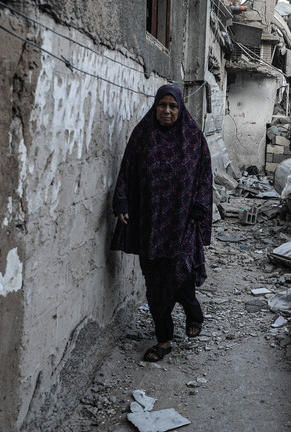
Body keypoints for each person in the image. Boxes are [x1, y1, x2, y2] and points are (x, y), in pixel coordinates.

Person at [111, 84, 212, 362]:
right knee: (155, 283)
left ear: (181, 109)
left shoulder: (193, 139)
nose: (167, 111)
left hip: (182, 224)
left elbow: (205, 179)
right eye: (162, 105)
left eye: (173, 106)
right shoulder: (142, 136)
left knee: (180, 278)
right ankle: (164, 339)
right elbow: (126, 170)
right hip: (150, 224)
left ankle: (194, 314)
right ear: (155, 107)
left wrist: (199, 209)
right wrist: (121, 202)